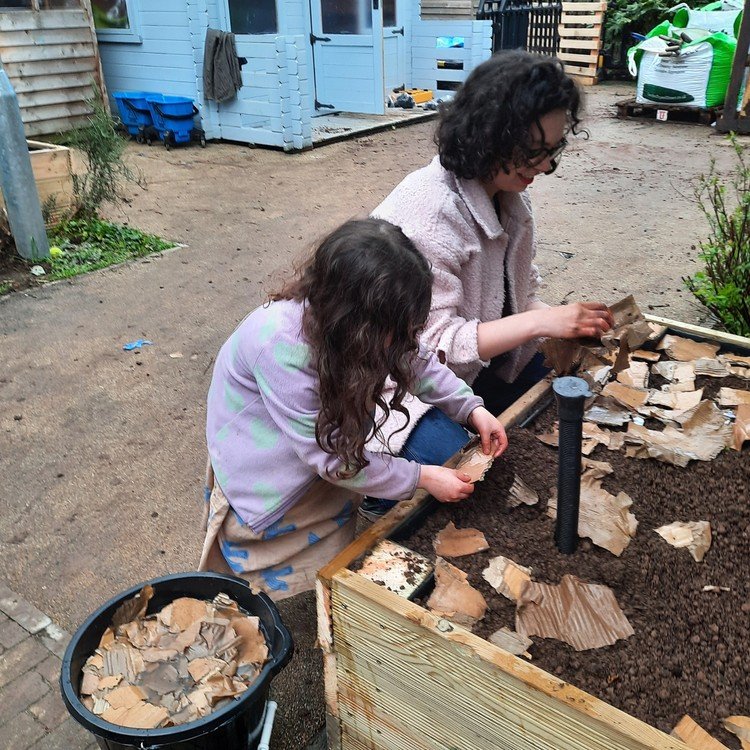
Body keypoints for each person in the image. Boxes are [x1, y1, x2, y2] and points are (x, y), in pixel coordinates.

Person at [360, 50, 614, 520]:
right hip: (395, 388)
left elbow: (518, 296)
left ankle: (457, 437)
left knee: (571, 386)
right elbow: (431, 350)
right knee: (476, 477)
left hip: (463, 376)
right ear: (489, 133)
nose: (541, 167)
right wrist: (543, 320)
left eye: (552, 152)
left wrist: (562, 323)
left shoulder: (511, 202)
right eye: (533, 151)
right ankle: (381, 494)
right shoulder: (430, 213)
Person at [199, 218, 507, 600]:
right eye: (398, 330)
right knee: (267, 556)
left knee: (329, 528)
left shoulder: (353, 325)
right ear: (355, 321)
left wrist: (472, 410)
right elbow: (331, 460)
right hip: (265, 465)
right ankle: (253, 603)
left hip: (313, 450)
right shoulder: (281, 347)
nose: (404, 341)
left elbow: (416, 359)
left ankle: (324, 581)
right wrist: (422, 477)